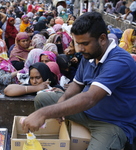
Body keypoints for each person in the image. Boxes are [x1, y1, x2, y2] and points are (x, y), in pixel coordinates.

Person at [22, 12, 136, 149]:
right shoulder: (89, 54)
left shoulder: (120, 61)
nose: (80, 49)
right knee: (42, 99)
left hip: (111, 122)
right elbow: (77, 84)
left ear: (102, 39)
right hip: (85, 112)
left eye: (85, 44)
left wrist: (43, 113)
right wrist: (63, 98)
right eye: (78, 43)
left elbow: (90, 98)